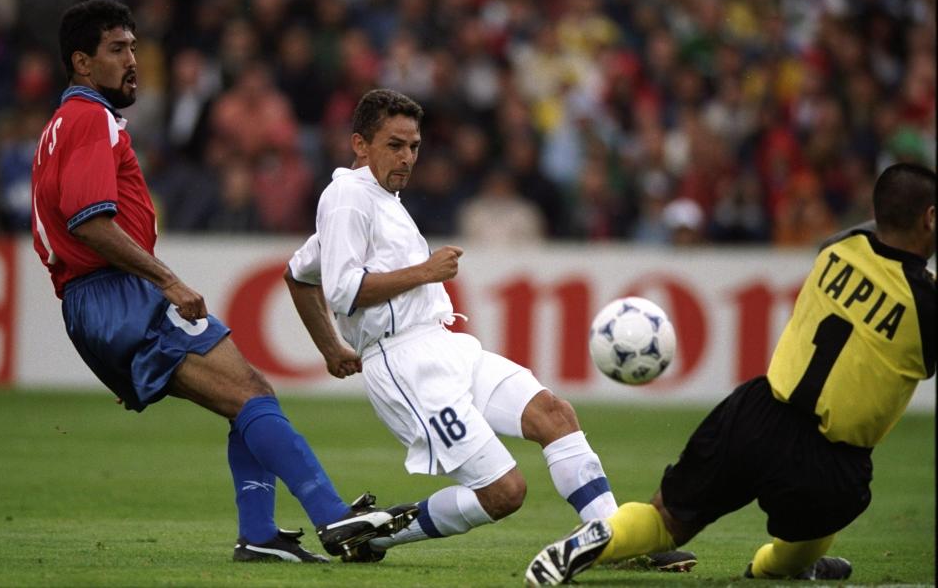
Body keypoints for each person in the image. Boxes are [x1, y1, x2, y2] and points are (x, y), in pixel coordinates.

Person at [30, 0, 417, 565]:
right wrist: (167, 281)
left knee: (251, 398)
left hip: (99, 304)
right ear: (82, 63)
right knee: (254, 396)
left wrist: (111, 339)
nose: (133, 60)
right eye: (118, 49)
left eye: (134, 46)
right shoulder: (89, 117)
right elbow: (89, 219)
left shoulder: (62, 123)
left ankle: (260, 534)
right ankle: (335, 518)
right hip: (117, 292)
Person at [282, 88, 697, 570]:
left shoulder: (381, 199)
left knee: (554, 414)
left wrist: (331, 348)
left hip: (444, 344)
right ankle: (374, 535)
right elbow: (343, 291)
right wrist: (424, 272)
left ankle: (614, 542)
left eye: (414, 146)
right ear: (359, 144)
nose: (407, 157)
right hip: (404, 363)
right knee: (504, 493)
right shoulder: (347, 196)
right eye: (395, 145)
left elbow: (299, 272)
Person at [524, 162, 936, 585]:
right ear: (930, 217)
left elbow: (877, 226)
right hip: (833, 459)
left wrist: (891, 212)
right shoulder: (927, 305)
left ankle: (599, 537)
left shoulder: (839, 249)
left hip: (759, 413)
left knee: (666, 519)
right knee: (801, 544)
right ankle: (774, 567)